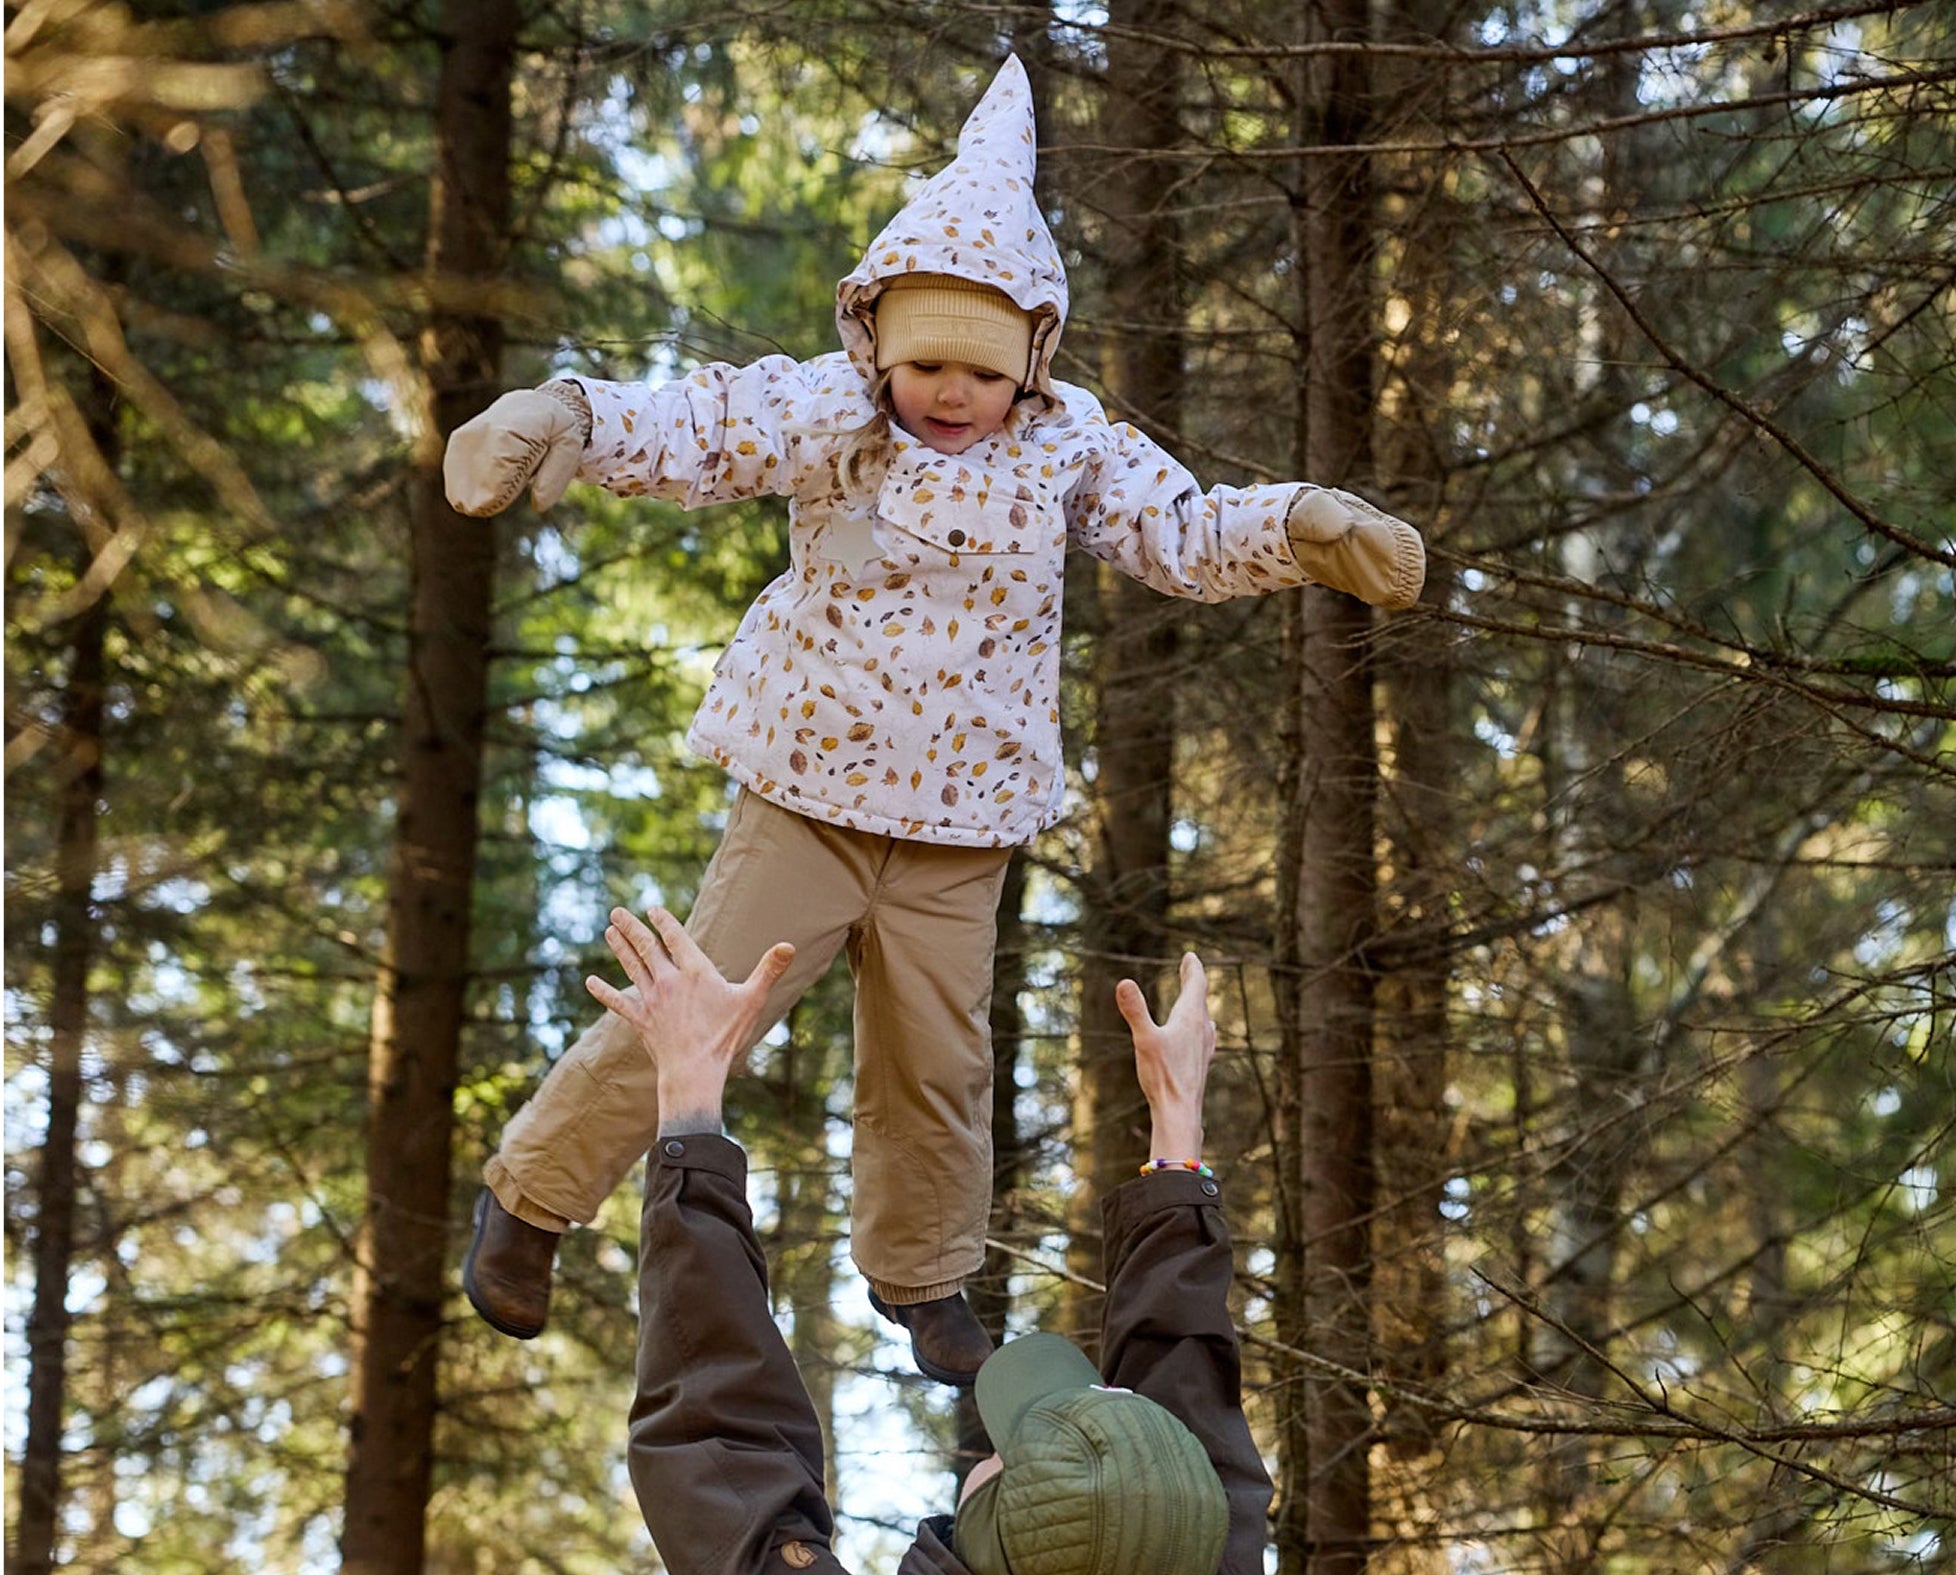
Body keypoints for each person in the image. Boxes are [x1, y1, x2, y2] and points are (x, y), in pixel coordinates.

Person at [444, 56, 1425, 1384]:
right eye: (923, 365)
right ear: (875, 345)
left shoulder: (1072, 445)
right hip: (808, 793)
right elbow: (704, 423)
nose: (949, 394)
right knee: (703, 1015)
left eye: (979, 368)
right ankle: (534, 1197)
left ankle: (923, 1283)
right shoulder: (832, 416)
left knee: (936, 1067)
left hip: (962, 823)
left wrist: (1305, 528)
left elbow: (1182, 531)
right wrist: (567, 414)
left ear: (1032, 359)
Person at [587, 900, 1280, 1575]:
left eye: (999, 1458)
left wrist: (687, 1094)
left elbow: (718, 1421)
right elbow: (719, 1442)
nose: (978, 1455)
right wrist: (1174, 1147)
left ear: (991, 1536)